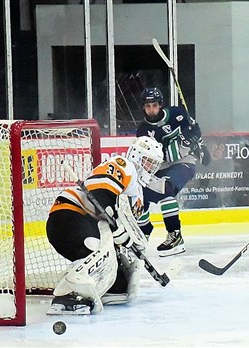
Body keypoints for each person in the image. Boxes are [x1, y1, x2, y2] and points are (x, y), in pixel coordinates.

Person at [45, 136, 164, 315]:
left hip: (87, 225)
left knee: (118, 284)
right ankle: (69, 295)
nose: (150, 168)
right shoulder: (124, 164)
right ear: (137, 156)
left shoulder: (137, 191)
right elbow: (99, 190)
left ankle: (100, 288)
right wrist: (115, 224)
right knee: (99, 250)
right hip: (69, 217)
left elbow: (129, 223)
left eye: (153, 164)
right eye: (148, 162)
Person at [136, 87, 210, 257]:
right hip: (160, 166)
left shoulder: (178, 113)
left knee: (166, 187)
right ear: (143, 107)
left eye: (154, 105)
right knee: (140, 197)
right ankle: (143, 232)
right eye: (148, 106)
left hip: (184, 163)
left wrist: (199, 146)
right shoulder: (143, 130)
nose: (151, 109)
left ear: (160, 105)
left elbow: (195, 130)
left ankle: (174, 235)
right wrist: (181, 144)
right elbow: (156, 155)